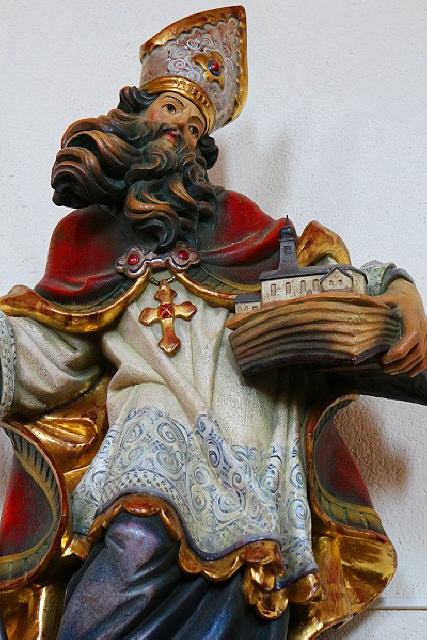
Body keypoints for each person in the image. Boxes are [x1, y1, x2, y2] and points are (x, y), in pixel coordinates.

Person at [0, 6, 425, 639]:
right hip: (150, 432)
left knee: (247, 606)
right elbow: (49, 354)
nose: (181, 128)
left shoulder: (241, 224)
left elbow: (330, 280)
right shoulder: (85, 241)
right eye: (171, 108)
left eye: (196, 124)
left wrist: (400, 293)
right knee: (136, 541)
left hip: (250, 439)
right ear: (136, 116)